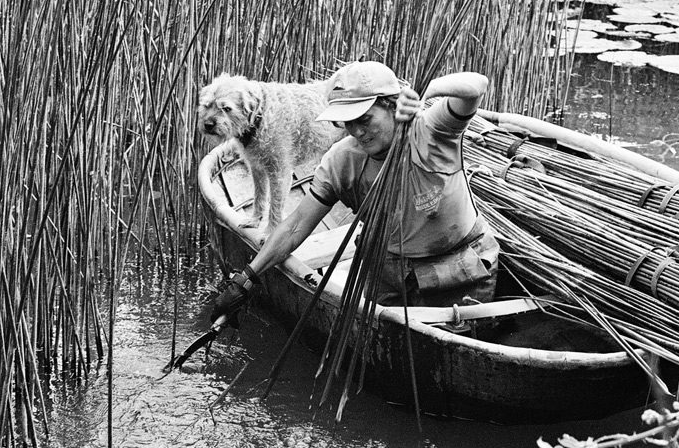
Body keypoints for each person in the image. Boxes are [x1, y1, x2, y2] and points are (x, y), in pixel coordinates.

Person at [210, 61, 500, 325]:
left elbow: (477, 86)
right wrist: (245, 279)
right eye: (348, 122)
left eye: (364, 119)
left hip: (458, 273)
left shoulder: (430, 131)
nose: (357, 132)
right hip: (389, 275)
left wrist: (427, 91)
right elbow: (296, 225)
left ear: (392, 105)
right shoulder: (343, 160)